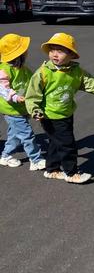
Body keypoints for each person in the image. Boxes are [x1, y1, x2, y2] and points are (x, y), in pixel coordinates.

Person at [25, 32, 94, 184]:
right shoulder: (43, 73)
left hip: (66, 113)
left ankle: (52, 170)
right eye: (52, 50)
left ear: (71, 54)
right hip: (49, 116)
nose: (54, 54)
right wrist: (35, 110)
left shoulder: (76, 72)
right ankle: (71, 173)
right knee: (67, 144)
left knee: (55, 142)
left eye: (60, 51)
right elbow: (32, 95)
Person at [0, 33, 45, 170]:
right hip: (11, 109)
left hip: (22, 107)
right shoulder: (4, 70)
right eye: (23, 49)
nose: (26, 52)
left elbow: (33, 81)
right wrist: (14, 97)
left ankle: (5, 156)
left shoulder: (23, 69)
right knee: (27, 134)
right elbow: (2, 88)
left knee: (15, 134)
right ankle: (36, 159)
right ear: (17, 54)